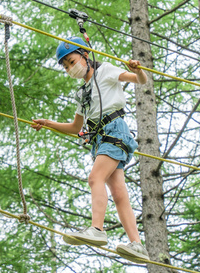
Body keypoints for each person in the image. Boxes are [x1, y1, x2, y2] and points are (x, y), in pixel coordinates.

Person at [31, 36, 149, 263]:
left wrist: (137, 69)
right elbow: (76, 127)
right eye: (65, 67)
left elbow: (139, 80)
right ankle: (137, 245)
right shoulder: (82, 93)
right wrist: (48, 123)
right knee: (117, 192)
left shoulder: (105, 71)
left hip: (115, 130)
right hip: (100, 139)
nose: (69, 69)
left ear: (85, 55)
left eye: (72, 62)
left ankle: (97, 229)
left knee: (95, 178)